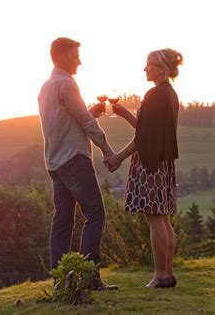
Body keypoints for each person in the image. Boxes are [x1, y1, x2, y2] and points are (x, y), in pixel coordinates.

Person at [38, 37, 118, 290]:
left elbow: (65, 120)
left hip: (55, 163)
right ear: (62, 56)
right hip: (74, 160)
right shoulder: (67, 84)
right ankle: (89, 278)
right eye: (75, 56)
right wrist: (106, 149)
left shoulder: (45, 87)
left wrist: (91, 111)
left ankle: (61, 282)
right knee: (95, 215)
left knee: (62, 221)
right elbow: (84, 121)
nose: (80, 62)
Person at [106, 48, 183, 288]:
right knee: (162, 218)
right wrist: (125, 114)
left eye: (148, 65)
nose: (145, 69)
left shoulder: (154, 94)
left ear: (161, 68)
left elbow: (143, 139)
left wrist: (118, 157)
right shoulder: (169, 94)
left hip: (150, 162)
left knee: (155, 219)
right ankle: (167, 273)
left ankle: (160, 276)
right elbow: (145, 128)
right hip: (163, 162)